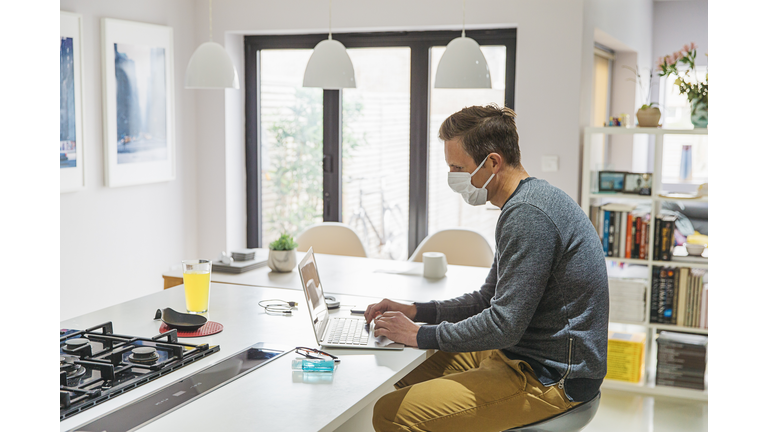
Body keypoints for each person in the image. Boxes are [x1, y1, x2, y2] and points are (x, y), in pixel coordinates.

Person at [365, 104, 609, 432]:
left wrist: (419, 334)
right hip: (519, 354)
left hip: (550, 376)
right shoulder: (527, 201)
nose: (453, 177)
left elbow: (503, 325)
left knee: (390, 413)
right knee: (405, 371)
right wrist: (415, 311)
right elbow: (486, 300)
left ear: (492, 162)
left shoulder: (528, 216)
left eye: (457, 167)